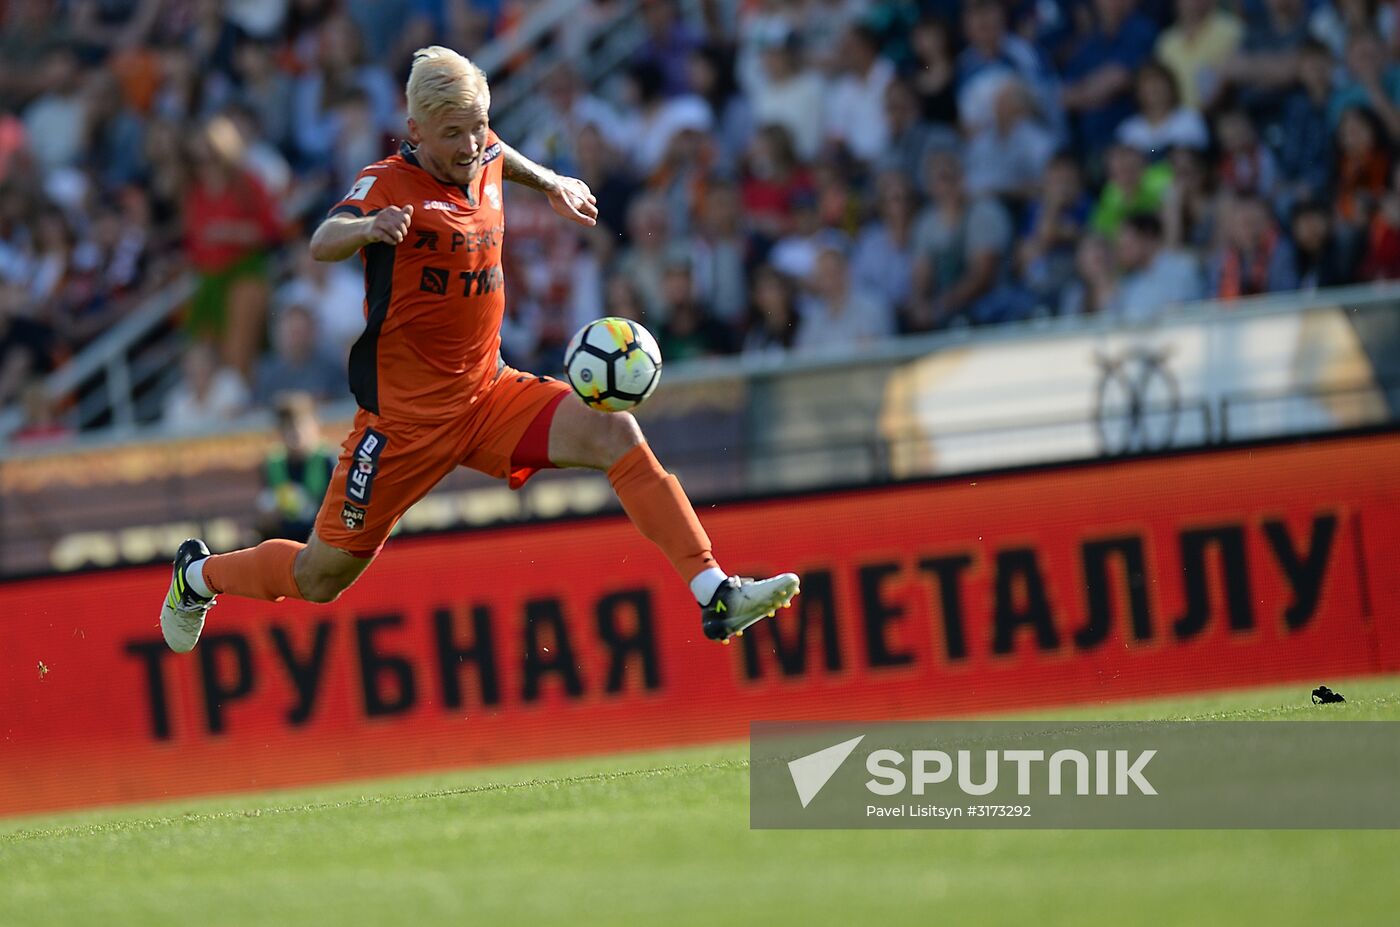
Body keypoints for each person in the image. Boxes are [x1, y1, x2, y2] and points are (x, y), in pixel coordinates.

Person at [158, 46, 799, 655]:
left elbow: (498, 155)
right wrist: (367, 228)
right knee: (319, 577)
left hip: (489, 393)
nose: (470, 146)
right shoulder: (387, 184)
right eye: (453, 134)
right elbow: (323, 239)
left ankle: (715, 592)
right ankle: (200, 576)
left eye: (478, 127)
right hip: (403, 426)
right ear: (415, 129)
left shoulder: (483, 150)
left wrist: (550, 181)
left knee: (615, 432)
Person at [255, 392, 338, 543]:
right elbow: (268, 508)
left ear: (315, 425)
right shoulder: (273, 465)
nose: (295, 433)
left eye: (300, 425)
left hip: (321, 541)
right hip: (287, 542)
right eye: (288, 427)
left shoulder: (329, 461)